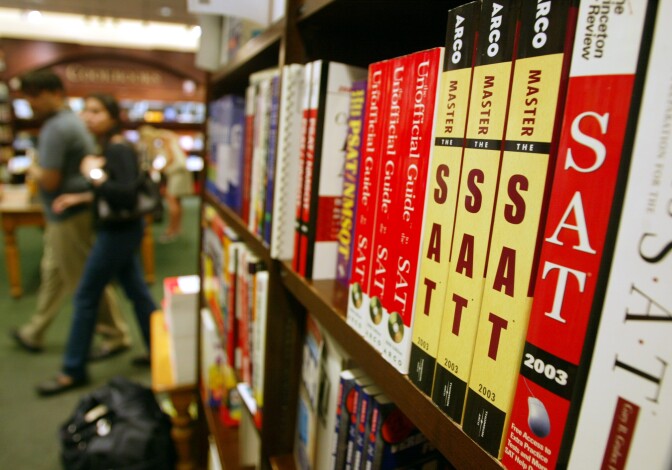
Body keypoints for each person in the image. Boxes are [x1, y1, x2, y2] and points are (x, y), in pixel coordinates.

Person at [36, 93, 159, 396]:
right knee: (137, 293)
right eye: (85, 111)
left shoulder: (117, 148)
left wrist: (92, 174)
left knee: (86, 296)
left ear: (113, 115)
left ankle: (71, 370)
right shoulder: (108, 147)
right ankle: (159, 349)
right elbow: (115, 191)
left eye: (96, 111)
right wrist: (81, 194)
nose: (87, 117)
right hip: (119, 229)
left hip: (118, 232)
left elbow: (125, 196)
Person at [10, 69, 131, 359]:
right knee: (54, 273)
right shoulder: (66, 124)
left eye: (34, 96)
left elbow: (50, 180)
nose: (31, 103)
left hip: (69, 213)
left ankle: (115, 335)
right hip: (65, 212)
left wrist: (31, 167)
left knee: (84, 280)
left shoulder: (57, 128)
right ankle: (35, 330)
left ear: (53, 93)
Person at [139, 125, 194, 242]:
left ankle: (171, 230)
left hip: (177, 173)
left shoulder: (164, 138)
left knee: (172, 201)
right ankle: (177, 229)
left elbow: (170, 158)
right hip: (180, 173)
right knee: (177, 202)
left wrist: (159, 169)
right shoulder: (168, 136)